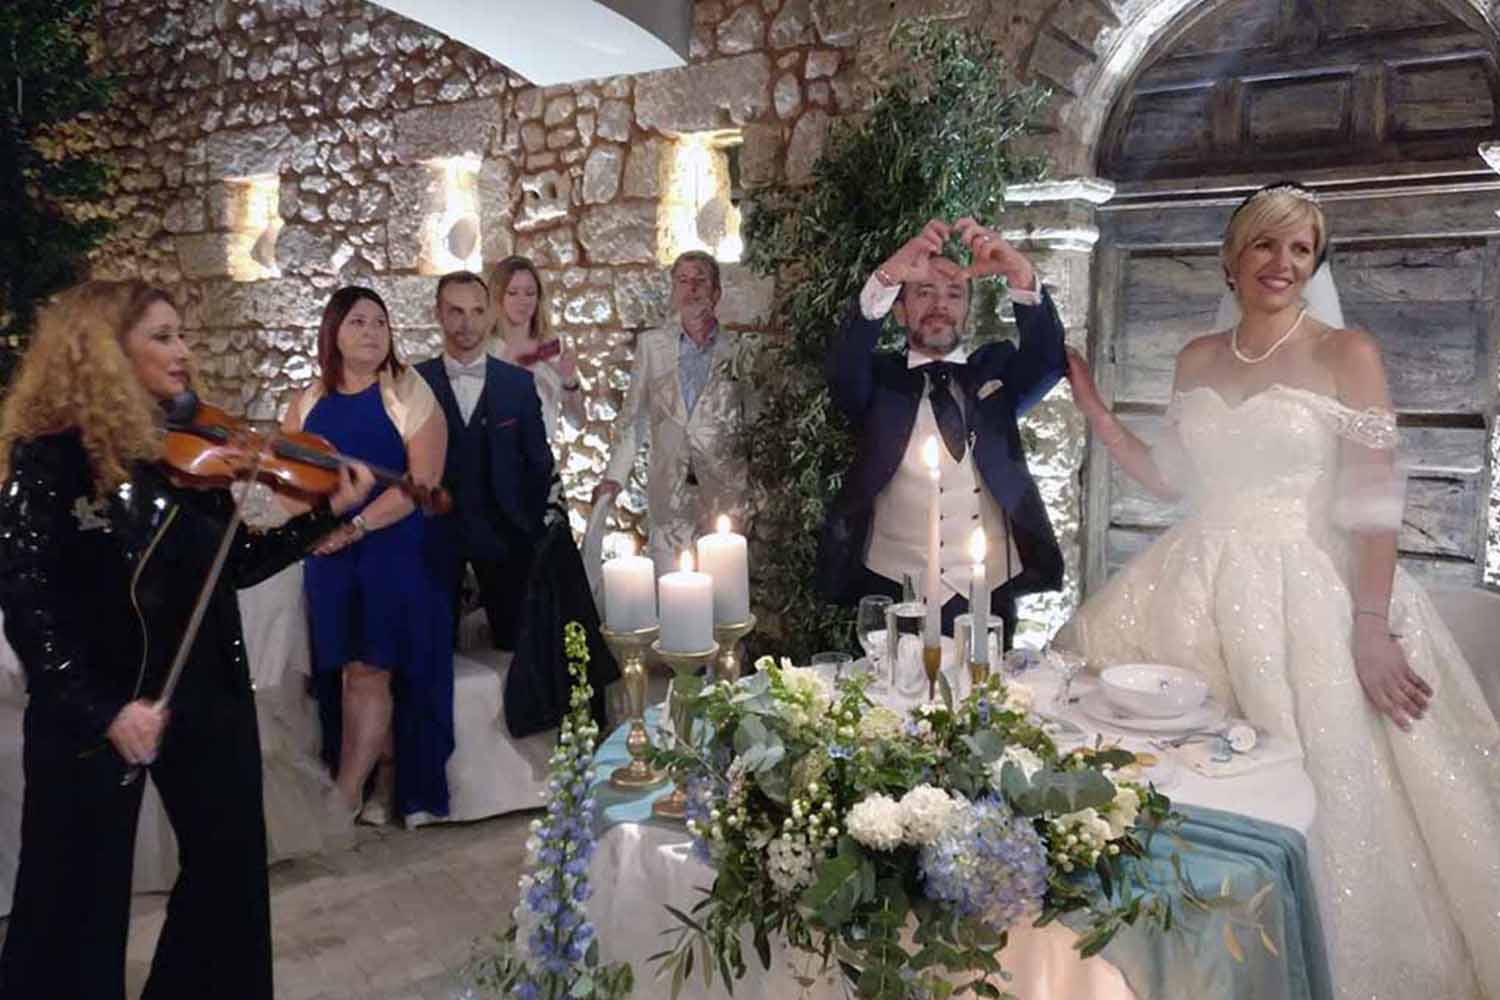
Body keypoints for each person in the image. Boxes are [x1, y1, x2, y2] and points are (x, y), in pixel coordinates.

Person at [1058, 182, 1500, 997]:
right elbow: (1169, 479)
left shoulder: (1346, 353)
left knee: (1311, 794)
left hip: (1306, 595)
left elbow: (1373, 505)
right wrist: (1094, 410)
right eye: (1266, 243)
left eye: (1301, 249)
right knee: (1168, 780)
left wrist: (1370, 626)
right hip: (1190, 586)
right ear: (1232, 259)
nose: (1283, 262)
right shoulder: (1197, 357)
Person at [0, 280, 374, 999]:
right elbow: (27, 601)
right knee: (75, 893)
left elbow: (231, 565)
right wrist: (102, 711)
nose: (184, 352)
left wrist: (320, 517)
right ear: (106, 350)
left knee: (228, 870)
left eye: (182, 334)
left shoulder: (187, 445)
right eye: (162, 337)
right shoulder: (48, 457)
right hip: (98, 697)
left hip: (202, 680)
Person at [815, 218, 1067, 648]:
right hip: (896, 585)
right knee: (895, 687)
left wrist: (1020, 274)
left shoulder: (995, 372)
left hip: (987, 587)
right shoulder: (878, 380)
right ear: (899, 310)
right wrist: (887, 276)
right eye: (924, 292)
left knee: (986, 689)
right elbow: (843, 367)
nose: (940, 305)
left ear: (967, 310)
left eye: (954, 294)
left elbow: (1048, 360)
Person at [283, 286, 453, 827]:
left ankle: (346, 793)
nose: (372, 332)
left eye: (380, 322)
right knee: (343, 672)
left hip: (390, 547)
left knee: (369, 670)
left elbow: (421, 483)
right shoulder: (307, 400)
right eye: (358, 322)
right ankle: (379, 775)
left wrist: (354, 526)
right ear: (333, 332)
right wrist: (316, 526)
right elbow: (288, 485)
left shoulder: (410, 392)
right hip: (328, 552)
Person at [414, 271, 554, 653]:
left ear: (490, 313)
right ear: (438, 314)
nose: (467, 323)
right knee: (431, 651)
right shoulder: (413, 383)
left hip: (505, 538)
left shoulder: (517, 384)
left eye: (477, 311)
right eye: (456, 311)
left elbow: (539, 464)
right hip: (432, 540)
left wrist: (525, 524)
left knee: (517, 651)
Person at [593, 250, 753, 574]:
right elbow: (634, 417)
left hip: (724, 494)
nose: (691, 289)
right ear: (673, 290)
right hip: (668, 494)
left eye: (700, 281)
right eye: (682, 281)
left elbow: (754, 418)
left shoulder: (740, 348)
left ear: (716, 292)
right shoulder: (651, 346)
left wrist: (755, 487)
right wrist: (614, 477)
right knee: (669, 588)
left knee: (726, 591)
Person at [488, 255, 585, 445]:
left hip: (540, 458)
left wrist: (569, 381)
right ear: (498, 297)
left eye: (530, 293)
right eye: (513, 292)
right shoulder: (484, 349)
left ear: (539, 297)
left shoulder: (554, 348)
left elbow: (577, 422)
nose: (523, 300)